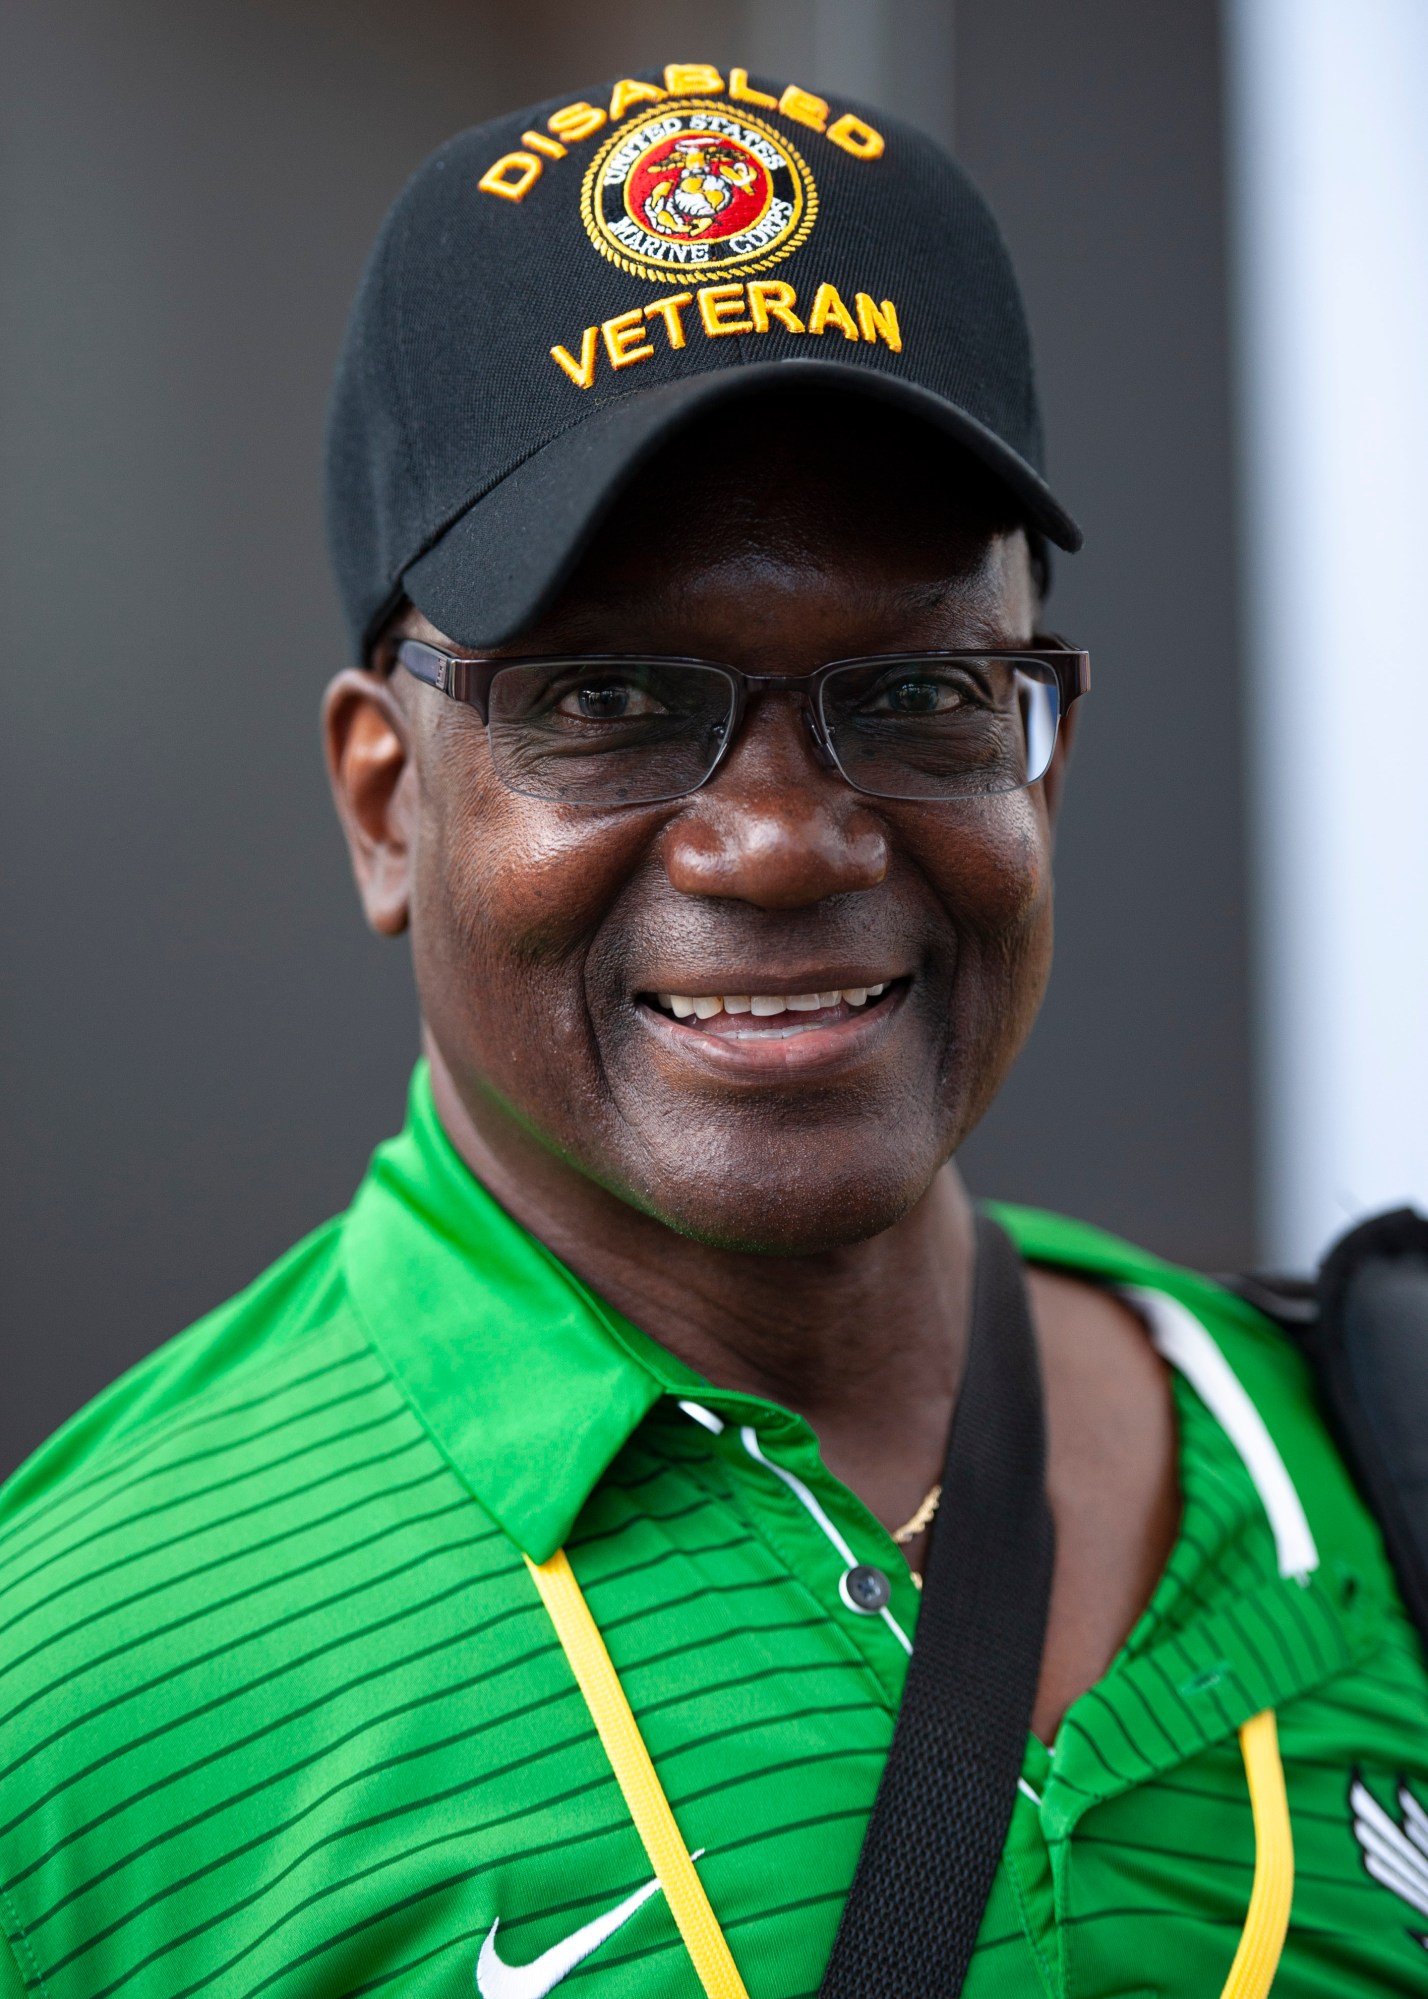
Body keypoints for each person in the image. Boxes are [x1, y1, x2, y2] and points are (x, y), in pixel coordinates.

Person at [1, 62, 1425, 1999]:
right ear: (382, 802)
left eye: (920, 685)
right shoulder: (84, 1690)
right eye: (603, 700)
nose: (779, 840)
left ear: (1045, 762)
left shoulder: (1363, 1469)